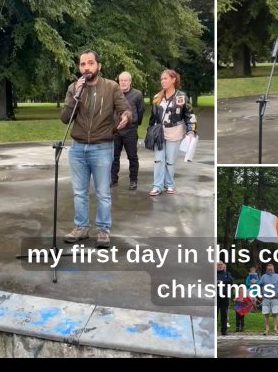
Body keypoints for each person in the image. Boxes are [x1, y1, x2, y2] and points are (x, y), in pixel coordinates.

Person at [62, 50, 131, 247]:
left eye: (90, 63)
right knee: (79, 192)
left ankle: (103, 230)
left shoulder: (111, 87)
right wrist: (75, 97)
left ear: (99, 66)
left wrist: (126, 117)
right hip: (77, 149)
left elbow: (125, 109)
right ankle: (81, 227)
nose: (86, 68)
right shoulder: (74, 88)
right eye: (82, 64)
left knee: (103, 193)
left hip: (102, 147)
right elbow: (65, 118)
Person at [147, 69, 197, 196]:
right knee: (158, 160)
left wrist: (191, 131)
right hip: (159, 133)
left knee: (170, 161)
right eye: (161, 79)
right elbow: (153, 117)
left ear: (173, 79)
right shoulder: (156, 97)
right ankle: (157, 186)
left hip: (175, 132)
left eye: (165, 78)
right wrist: (150, 131)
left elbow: (190, 115)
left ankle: (169, 184)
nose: (162, 81)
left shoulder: (182, 97)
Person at [110, 71, 145, 190]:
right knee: (114, 156)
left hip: (130, 130)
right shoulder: (114, 94)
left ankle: (133, 180)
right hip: (116, 130)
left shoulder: (137, 94)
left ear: (130, 81)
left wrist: (135, 123)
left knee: (132, 157)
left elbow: (140, 111)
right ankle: (113, 179)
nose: (123, 82)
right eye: (121, 80)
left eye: (126, 80)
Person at [259, 263, 278, 335]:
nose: (270, 270)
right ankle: (267, 329)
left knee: (275, 314)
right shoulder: (263, 276)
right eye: (269, 269)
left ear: (273, 269)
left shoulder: (277, 276)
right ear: (267, 269)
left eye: (271, 269)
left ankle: (275, 329)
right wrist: (261, 294)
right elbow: (259, 285)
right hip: (266, 298)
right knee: (266, 314)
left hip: (275, 298)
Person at [217, 261, 234, 336]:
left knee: (224, 314)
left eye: (221, 264)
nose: (220, 266)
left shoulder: (227, 273)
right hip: (216, 296)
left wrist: (221, 282)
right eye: (218, 265)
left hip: (225, 296)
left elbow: (230, 281)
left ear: (223, 265)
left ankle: (224, 330)